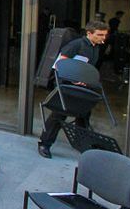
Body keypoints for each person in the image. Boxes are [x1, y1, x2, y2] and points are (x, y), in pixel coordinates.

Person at [38, 20, 109, 159]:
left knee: (83, 115)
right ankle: (44, 143)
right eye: (100, 34)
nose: (103, 38)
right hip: (68, 85)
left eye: (105, 35)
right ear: (89, 33)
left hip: (83, 85)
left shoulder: (96, 47)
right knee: (59, 115)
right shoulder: (75, 45)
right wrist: (73, 79)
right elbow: (59, 64)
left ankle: (81, 143)